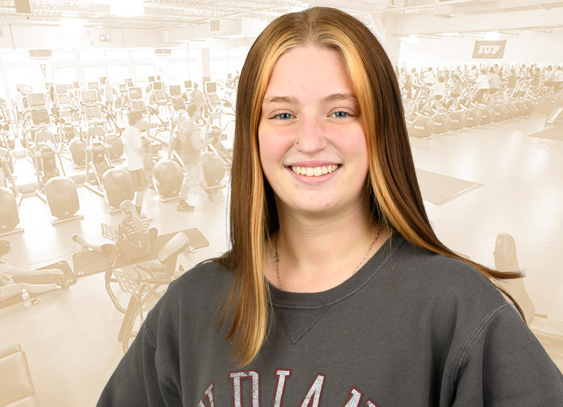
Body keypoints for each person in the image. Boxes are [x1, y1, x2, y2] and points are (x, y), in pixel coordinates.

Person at [98, 7, 563, 406]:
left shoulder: (458, 309)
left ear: (380, 129)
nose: (310, 139)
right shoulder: (190, 305)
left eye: (341, 111)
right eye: (283, 114)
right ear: (252, 135)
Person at [0, 240, 68, 303]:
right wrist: (52, 271)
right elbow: (27, 273)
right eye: (10, 248)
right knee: (23, 286)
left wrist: (8, 279)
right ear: (5, 252)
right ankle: (57, 286)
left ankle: (6, 285)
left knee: (8, 280)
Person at [174, 103, 205, 212]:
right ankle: (181, 202)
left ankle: (209, 192)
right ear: (193, 112)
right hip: (192, 157)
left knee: (197, 176)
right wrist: (206, 142)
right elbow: (196, 146)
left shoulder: (185, 123)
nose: (200, 112)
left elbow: (179, 135)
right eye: (198, 110)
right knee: (188, 180)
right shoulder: (193, 126)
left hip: (186, 154)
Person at [121, 110, 151, 216]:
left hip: (133, 165)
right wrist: (149, 162)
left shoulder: (128, 130)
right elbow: (139, 150)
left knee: (141, 189)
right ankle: (137, 212)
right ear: (137, 120)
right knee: (141, 189)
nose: (143, 121)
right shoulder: (133, 131)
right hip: (136, 166)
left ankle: (136, 210)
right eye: (141, 119)